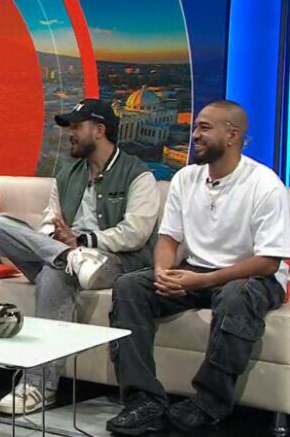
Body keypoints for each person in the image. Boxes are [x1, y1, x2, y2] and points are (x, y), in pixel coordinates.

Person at [106, 100, 290, 435]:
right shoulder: (185, 178)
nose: (194, 135)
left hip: (252, 277)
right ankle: (143, 401)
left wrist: (201, 281)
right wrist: (162, 272)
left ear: (232, 135)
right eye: (195, 128)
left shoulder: (265, 184)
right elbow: (168, 240)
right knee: (130, 285)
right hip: (196, 270)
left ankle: (208, 403)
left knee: (236, 295)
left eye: (204, 127)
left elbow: (268, 262)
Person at [0, 98, 160, 415]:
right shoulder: (67, 174)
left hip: (111, 262)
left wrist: (84, 240)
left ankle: (38, 385)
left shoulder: (138, 175)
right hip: (65, 254)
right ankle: (68, 257)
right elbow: (49, 220)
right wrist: (59, 242)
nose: (71, 133)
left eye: (77, 126)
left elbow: (135, 233)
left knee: (55, 274)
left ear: (100, 130)